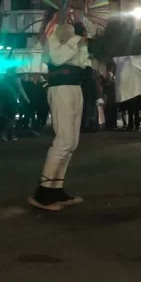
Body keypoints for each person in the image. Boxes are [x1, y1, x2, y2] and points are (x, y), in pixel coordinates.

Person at [28, 23, 90, 211]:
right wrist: (76, 40)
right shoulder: (55, 34)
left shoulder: (76, 34)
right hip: (60, 88)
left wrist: (81, 43)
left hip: (74, 88)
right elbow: (57, 57)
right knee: (64, 140)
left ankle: (56, 188)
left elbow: (84, 63)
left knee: (72, 143)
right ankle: (43, 191)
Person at [0, 67, 29, 142]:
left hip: (2, 100)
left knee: (5, 118)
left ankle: (10, 135)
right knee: (12, 118)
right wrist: (26, 98)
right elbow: (21, 89)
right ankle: (5, 134)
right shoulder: (16, 78)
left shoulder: (2, 78)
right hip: (11, 100)